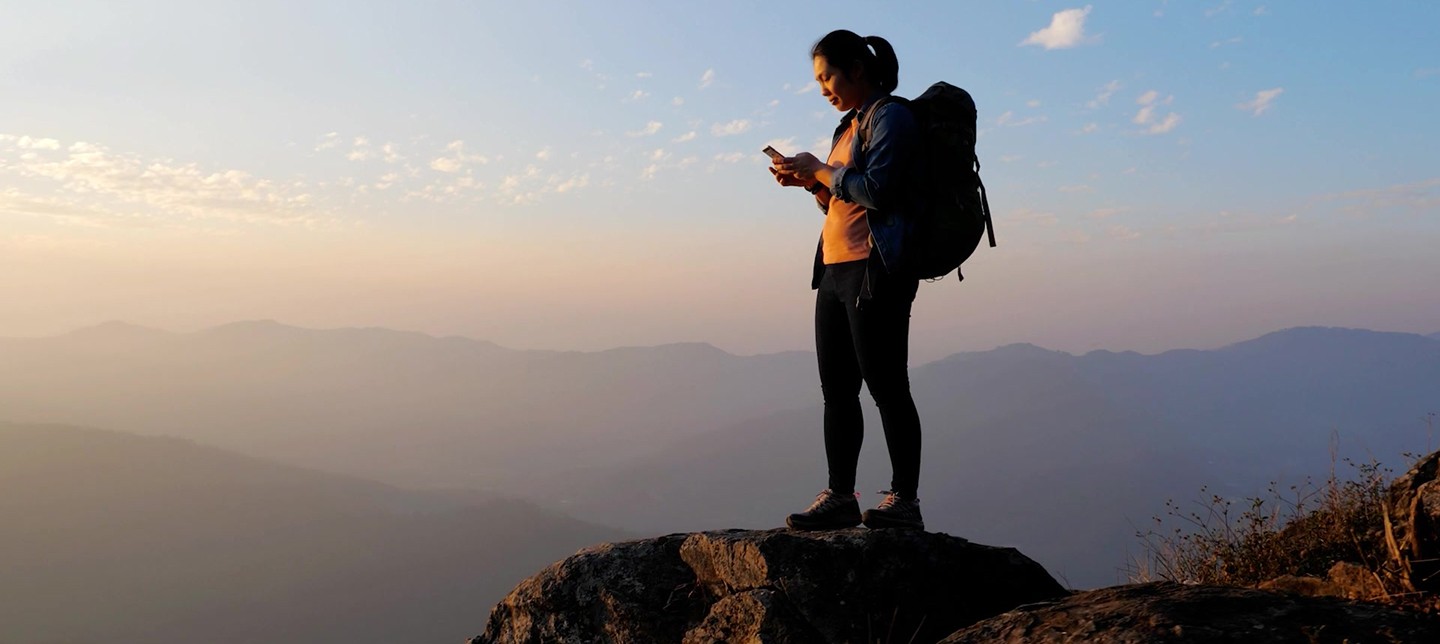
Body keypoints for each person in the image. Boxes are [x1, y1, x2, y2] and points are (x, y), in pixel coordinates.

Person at [771, 30, 925, 531]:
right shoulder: (849, 125)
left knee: (886, 386)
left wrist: (820, 169)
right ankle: (840, 496)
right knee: (837, 389)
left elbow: (879, 191)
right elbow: (843, 197)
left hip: (875, 270)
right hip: (835, 270)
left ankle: (905, 501)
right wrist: (809, 183)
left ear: (858, 69)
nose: (823, 88)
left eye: (827, 76)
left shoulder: (891, 117)